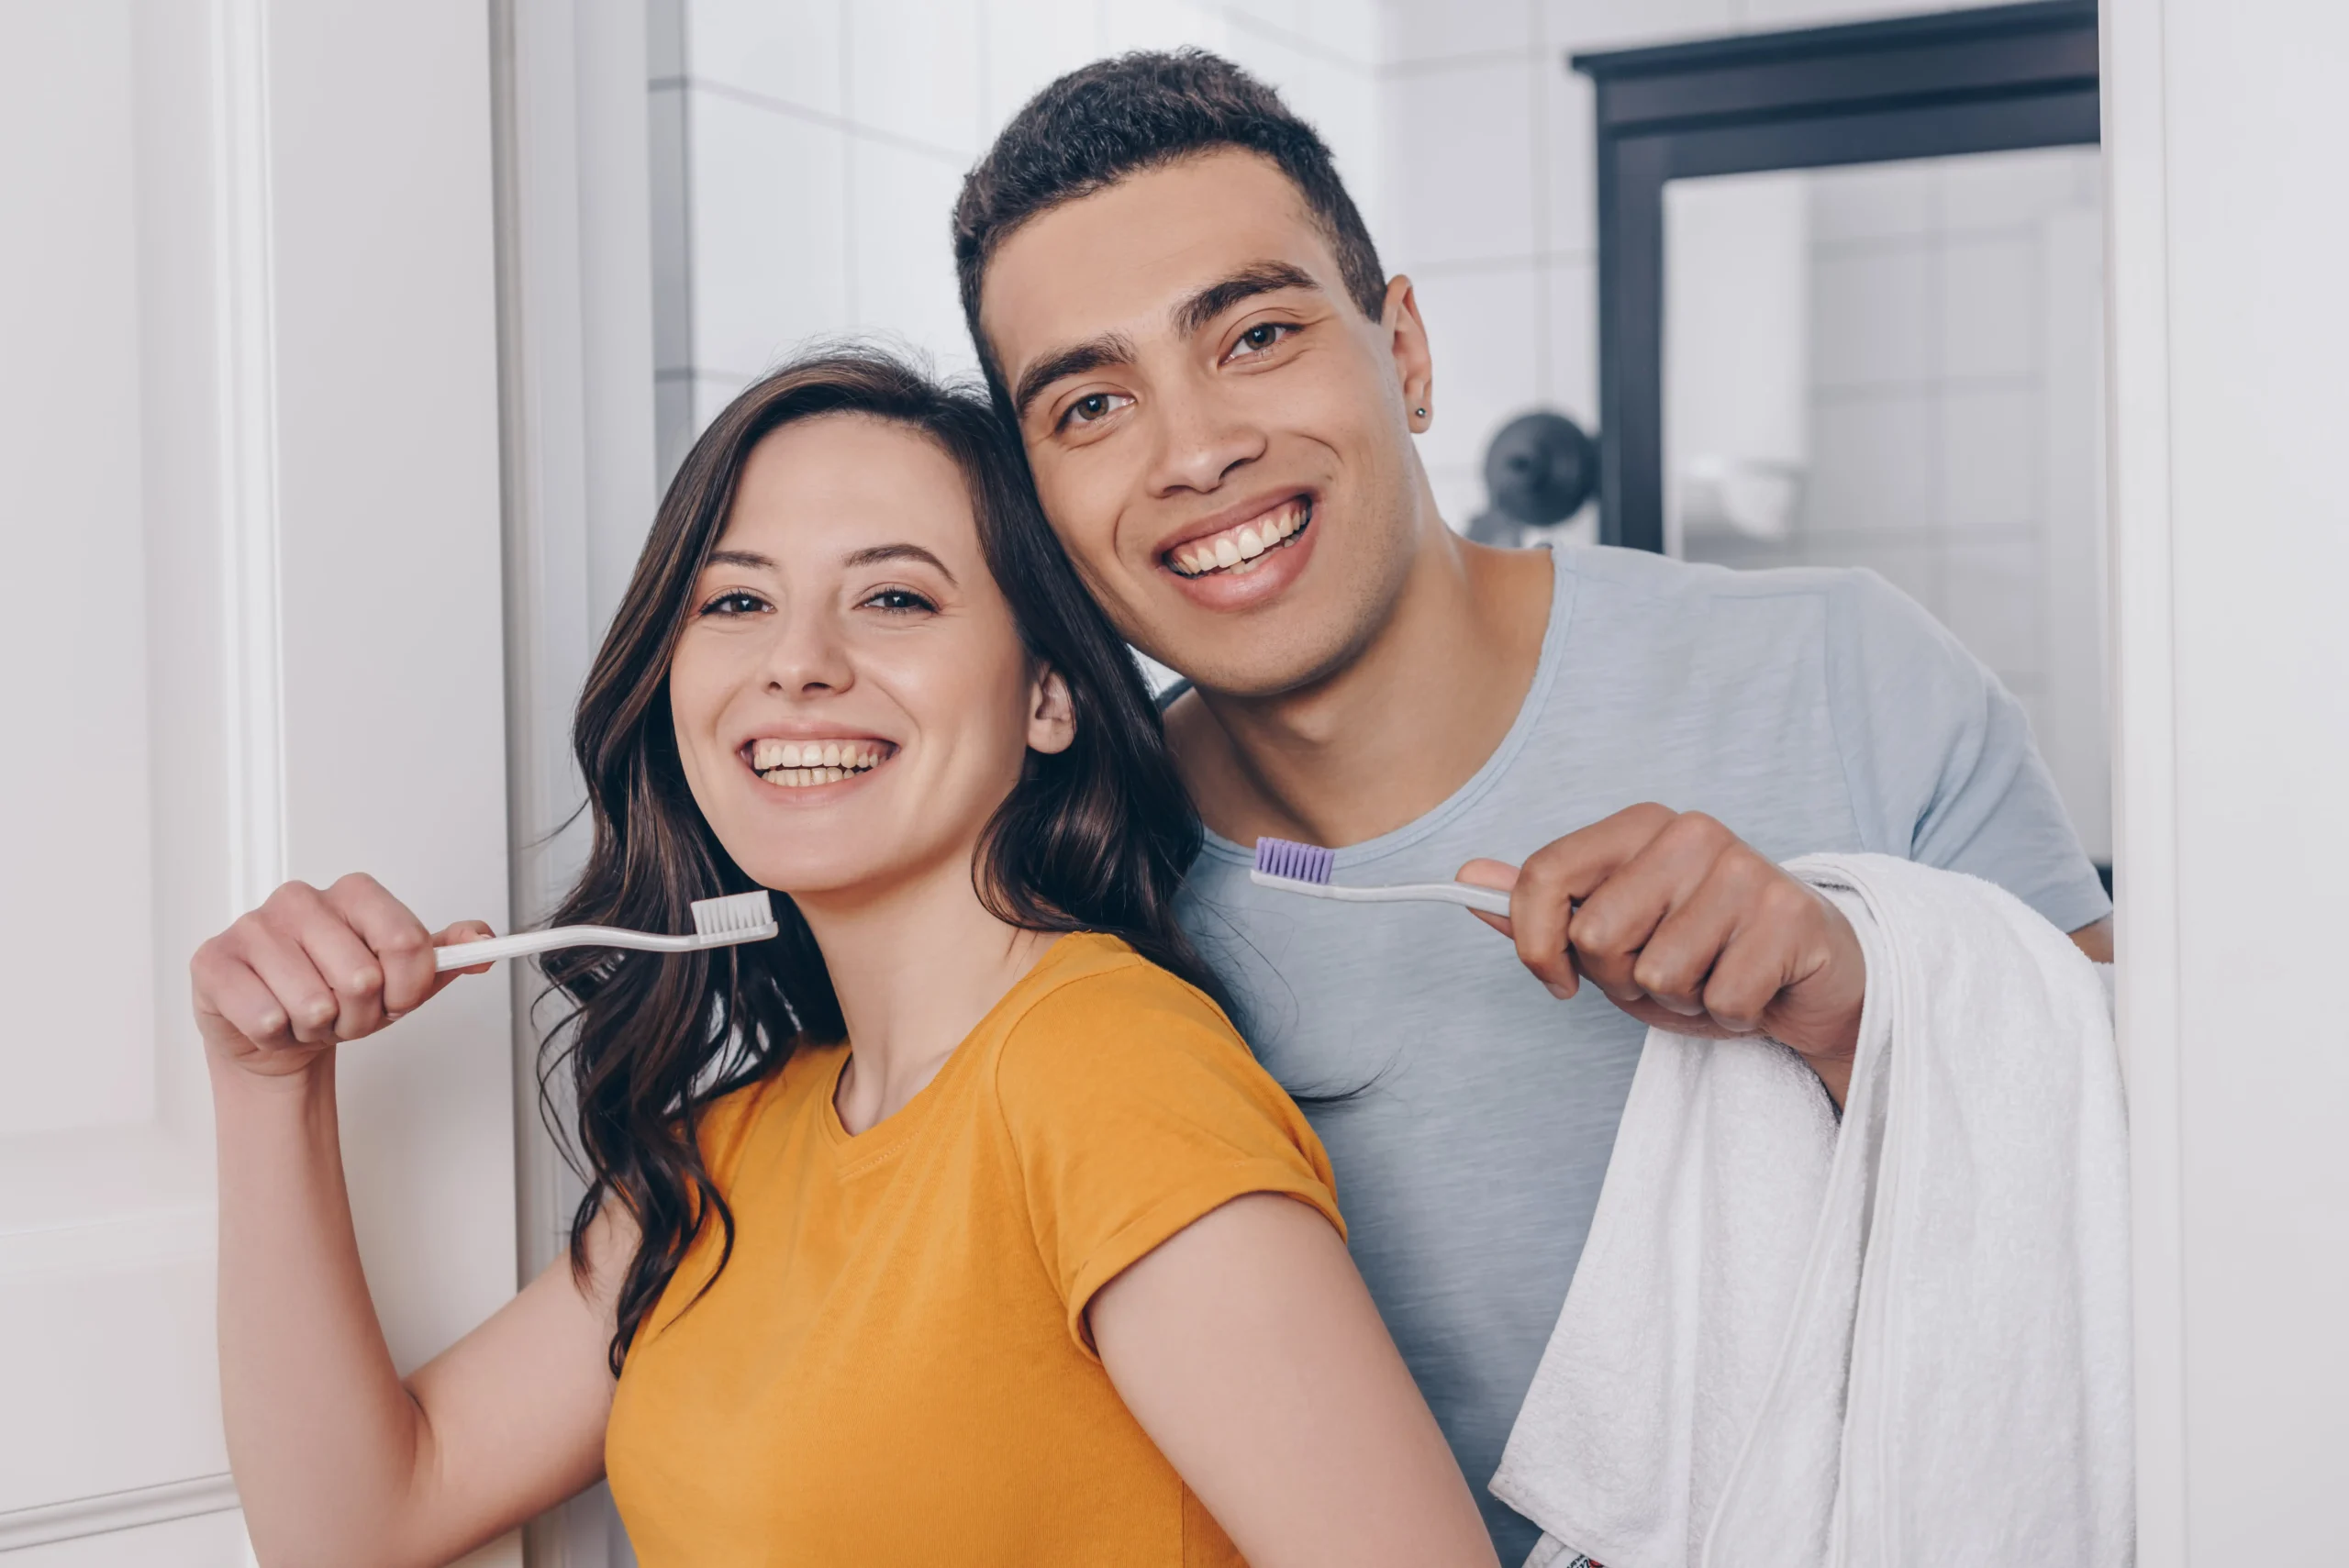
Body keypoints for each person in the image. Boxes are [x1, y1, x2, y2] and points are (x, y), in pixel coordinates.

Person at [952, 52, 2116, 1559]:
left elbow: (2164, 1179)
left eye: (1255, 333)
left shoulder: (1846, 675)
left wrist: (1858, 997)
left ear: (1408, 352)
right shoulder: (1060, 886)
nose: (1195, 450)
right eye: (1092, 402)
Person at [192, 350, 1499, 1568]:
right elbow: (358, 1521)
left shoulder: (1110, 1080)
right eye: (739, 601)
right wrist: (265, 1084)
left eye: (891, 598)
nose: (797, 664)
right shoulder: (729, 1149)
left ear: (1047, 694)